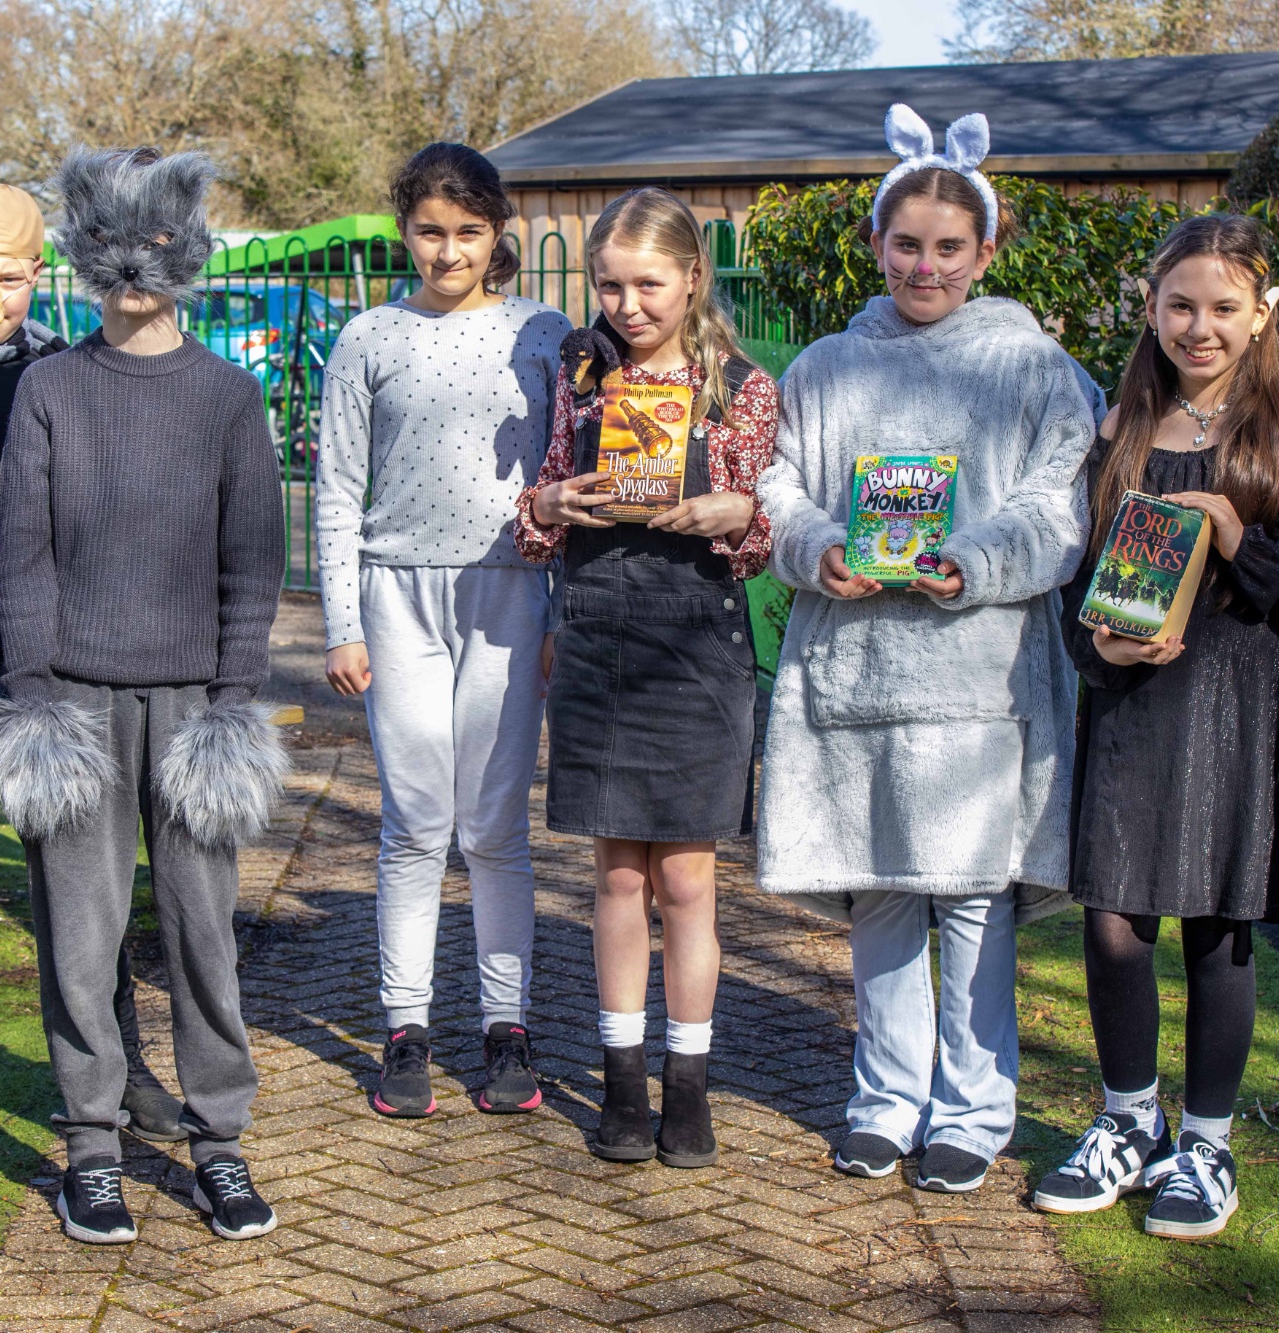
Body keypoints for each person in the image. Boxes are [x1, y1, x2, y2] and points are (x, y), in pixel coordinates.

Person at [0, 147, 288, 1246]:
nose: (135, 269)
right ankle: (91, 1144)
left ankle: (218, 1142)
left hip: (194, 704)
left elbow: (252, 561)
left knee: (199, 934)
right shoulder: (41, 388)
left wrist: (234, 699)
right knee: (79, 940)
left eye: (157, 246)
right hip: (66, 699)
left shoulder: (230, 399)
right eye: (116, 248)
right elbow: (21, 554)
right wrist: (37, 690)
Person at [755, 105, 1099, 1194]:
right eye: (906, 243)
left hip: (980, 679)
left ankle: (972, 1107)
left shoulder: (1035, 367)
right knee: (882, 894)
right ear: (875, 245)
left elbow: (1060, 504)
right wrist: (814, 548)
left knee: (967, 897)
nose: (925, 264)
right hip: (856, 671)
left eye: (949, 246)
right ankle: (883, 1098)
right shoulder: (820, 368)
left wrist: (976, 562)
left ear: (985, 251)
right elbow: (777, 487)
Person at [1032, 214, 1279, 1240]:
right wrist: (1096, 648)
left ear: (1258, 313)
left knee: (1217, 931)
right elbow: (1079, 584)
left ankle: (1206, 1145)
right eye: (1179, 305)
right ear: (1149, 307)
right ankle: (1123, 1123)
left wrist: (1243, 542)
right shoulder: (1119, 429)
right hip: (1134, 703)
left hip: (1242, 700)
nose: (1198, 327)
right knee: (1110, 923)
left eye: (1222, 307)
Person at [514, 187, 778, 1167]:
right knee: (615, 877)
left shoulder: (741, 385)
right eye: (608, 285)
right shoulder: (576, 373)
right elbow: (534, 518)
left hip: (696, 648)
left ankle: (688, 1087)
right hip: (596, 634)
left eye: (647, 285)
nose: (626, 306)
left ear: (692, 278)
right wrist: (548, 500)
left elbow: (762, 536)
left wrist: (736, 518)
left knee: (687, 880)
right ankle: (621, 1083)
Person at [0, 180, 186, 1145]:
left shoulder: (66, 371)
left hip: (46, 661)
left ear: (40, 275)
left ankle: (118, 1063)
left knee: (86, 887)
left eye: (9, 280)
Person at [316, 143, 572, 1118]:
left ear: (497, 233)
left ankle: (506, 1028)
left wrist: (561, 615)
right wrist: (343, 624)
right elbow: (338, 490)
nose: (447, 249)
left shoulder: (542, 335)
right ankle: (405, 1027)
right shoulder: (368, 338)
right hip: (397, 596)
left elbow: (568, 483)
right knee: (416, 820)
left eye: (467, 231)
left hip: (510, 593)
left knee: (495, 824)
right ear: (404, 231)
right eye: (429, 230)